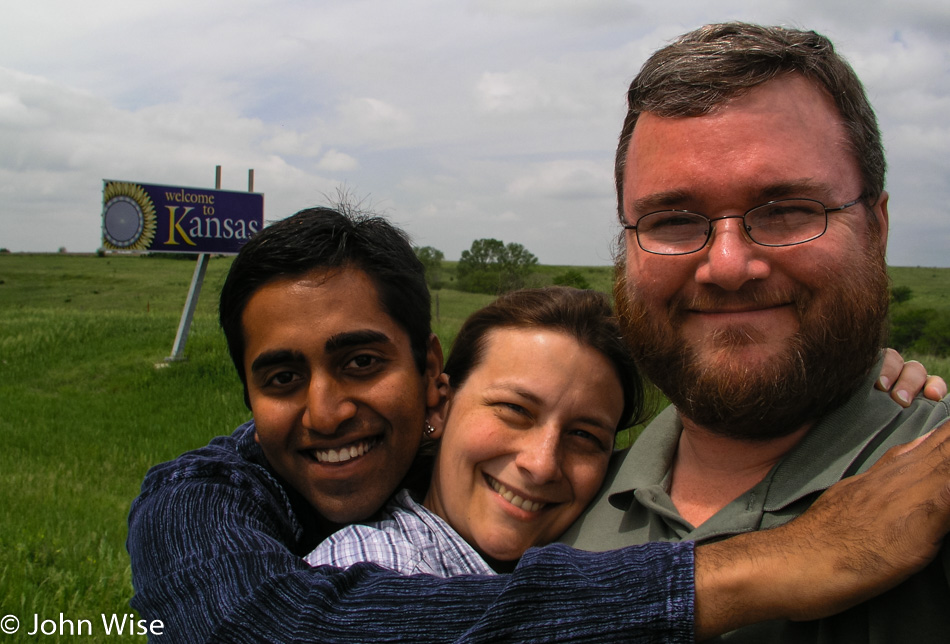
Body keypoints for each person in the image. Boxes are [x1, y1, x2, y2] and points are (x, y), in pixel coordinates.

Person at [127, 205, 950, 644]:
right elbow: (265, 627)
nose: (327, 410)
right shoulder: (255, 520)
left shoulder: (588, 503)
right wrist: (773, 565)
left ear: (430, 377)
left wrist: (840, 373)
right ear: (447, 401)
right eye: (280, 376)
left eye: (362, 362)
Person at [561, 22, 950, 643]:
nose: (728, 266)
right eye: (671, 221)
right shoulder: (553, 498)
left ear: (876, 228)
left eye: (788, 210)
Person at [306, 286, 643, 575]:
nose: (542, 466)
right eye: (515, 410)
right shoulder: (371, 571)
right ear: (440, 407)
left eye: (584, 435)